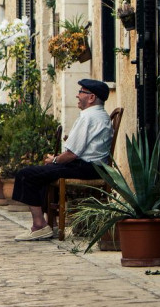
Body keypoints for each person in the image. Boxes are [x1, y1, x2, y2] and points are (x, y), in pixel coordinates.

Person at [11, 79, 114, 241]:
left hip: (85, 167)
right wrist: (56, 160)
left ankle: (39, 225)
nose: (77, 95)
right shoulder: (100, 116)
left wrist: (54, 160)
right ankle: (44, 224)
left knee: (26, 174)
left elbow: (72, 154)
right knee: (43, 174)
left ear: (91, 97)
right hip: (94, 166)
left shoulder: (88, 117)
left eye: (81, 92)